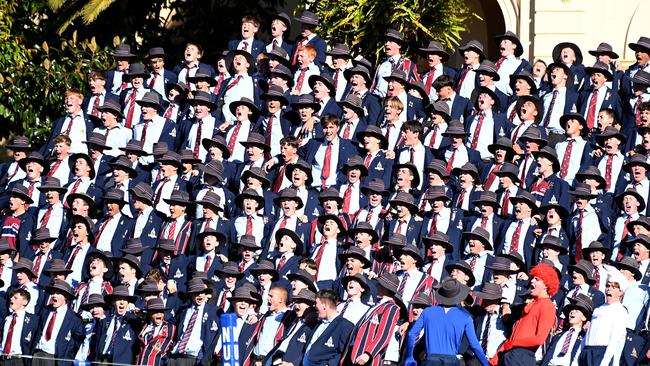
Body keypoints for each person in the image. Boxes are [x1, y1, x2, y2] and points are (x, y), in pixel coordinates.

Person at [405, 278, 488, 366]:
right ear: (458, 296)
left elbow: (411, 334)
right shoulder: (465, 317)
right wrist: (485, 364)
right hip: (452, 361)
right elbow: (474, 344)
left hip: (431, 361)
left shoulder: (428, 312)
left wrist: (410, 356)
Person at [490, 263, 559, 366]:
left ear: (546, 285)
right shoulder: (531, 304)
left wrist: (513, 344)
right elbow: (514, 335)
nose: (532, 281)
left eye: (537, 279)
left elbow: (539, 338)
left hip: (522, 356)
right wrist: (499, 354)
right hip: (510, 355)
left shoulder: (547, 306)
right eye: (532, 278)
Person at [575, 270, 629, 366]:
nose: (609, 289)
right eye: (608, 286)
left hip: (601, 354)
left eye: (613, 287)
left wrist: (605, 362)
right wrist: (577, 358)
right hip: (587, 352)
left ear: (620, 292)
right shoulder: (598, 309)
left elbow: (614, 341)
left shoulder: (620, 311)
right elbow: (588, 336)